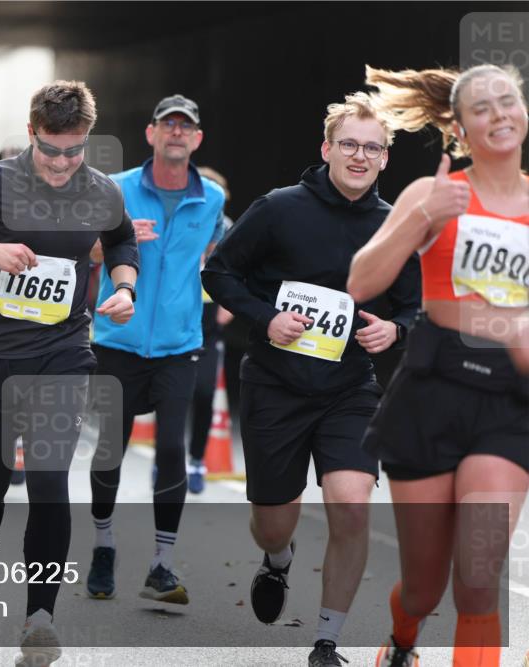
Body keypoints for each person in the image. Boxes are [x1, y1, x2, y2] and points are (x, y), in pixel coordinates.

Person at [0, 81, 139, 666]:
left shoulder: (101, 191)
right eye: (51, 149)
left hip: (63, 353)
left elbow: (120, 243)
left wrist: (124, 287)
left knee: (47, 481)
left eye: (75, 150)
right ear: (32, 131)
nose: (63, 163)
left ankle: (39, 618)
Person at [202, 92, 421, 666]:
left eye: (372, 148)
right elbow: (219, 272)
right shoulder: (279, 208)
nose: (359, 155)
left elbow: (414, 307)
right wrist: (266, 318)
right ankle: (277, 560)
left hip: (349, 388)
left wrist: (395, 331)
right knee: (273, 526)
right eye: (349, 143)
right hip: (276, 384)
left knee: (352, 506)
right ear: (327, 148)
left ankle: (326, 640)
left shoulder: (393, 225)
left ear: (384, 159)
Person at [347, 63, 528, 667]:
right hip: (430, 391)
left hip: (509, 402)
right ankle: (402, 642)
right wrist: (427, 218)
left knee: (477, 578)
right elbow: (361, 281)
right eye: (482, 107)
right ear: (459, 127)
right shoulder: (433, 193)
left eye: (508, 101)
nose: (499, 114)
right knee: (423, 588)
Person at [85, 94, 225, 605]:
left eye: (185, 127)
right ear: (151, 134)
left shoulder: (211, 199)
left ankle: (162, 564)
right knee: (110, 449)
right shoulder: (116, 189)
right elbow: (82, 250)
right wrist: (115, 241)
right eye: (167, 125)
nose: (175, 133)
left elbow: (214, 259)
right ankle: (104, 545)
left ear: (197, 139)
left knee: (171, 450)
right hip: (118, 342)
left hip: (178, 344)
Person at [187, 166, 235, 495]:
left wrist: (229, 309)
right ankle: (168, 457)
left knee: (204, 393)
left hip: (209, 326)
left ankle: (196, 460)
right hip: (176, 321)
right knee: (171, 396)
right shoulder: (183, 222)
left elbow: (243, 273)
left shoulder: (232, 230)